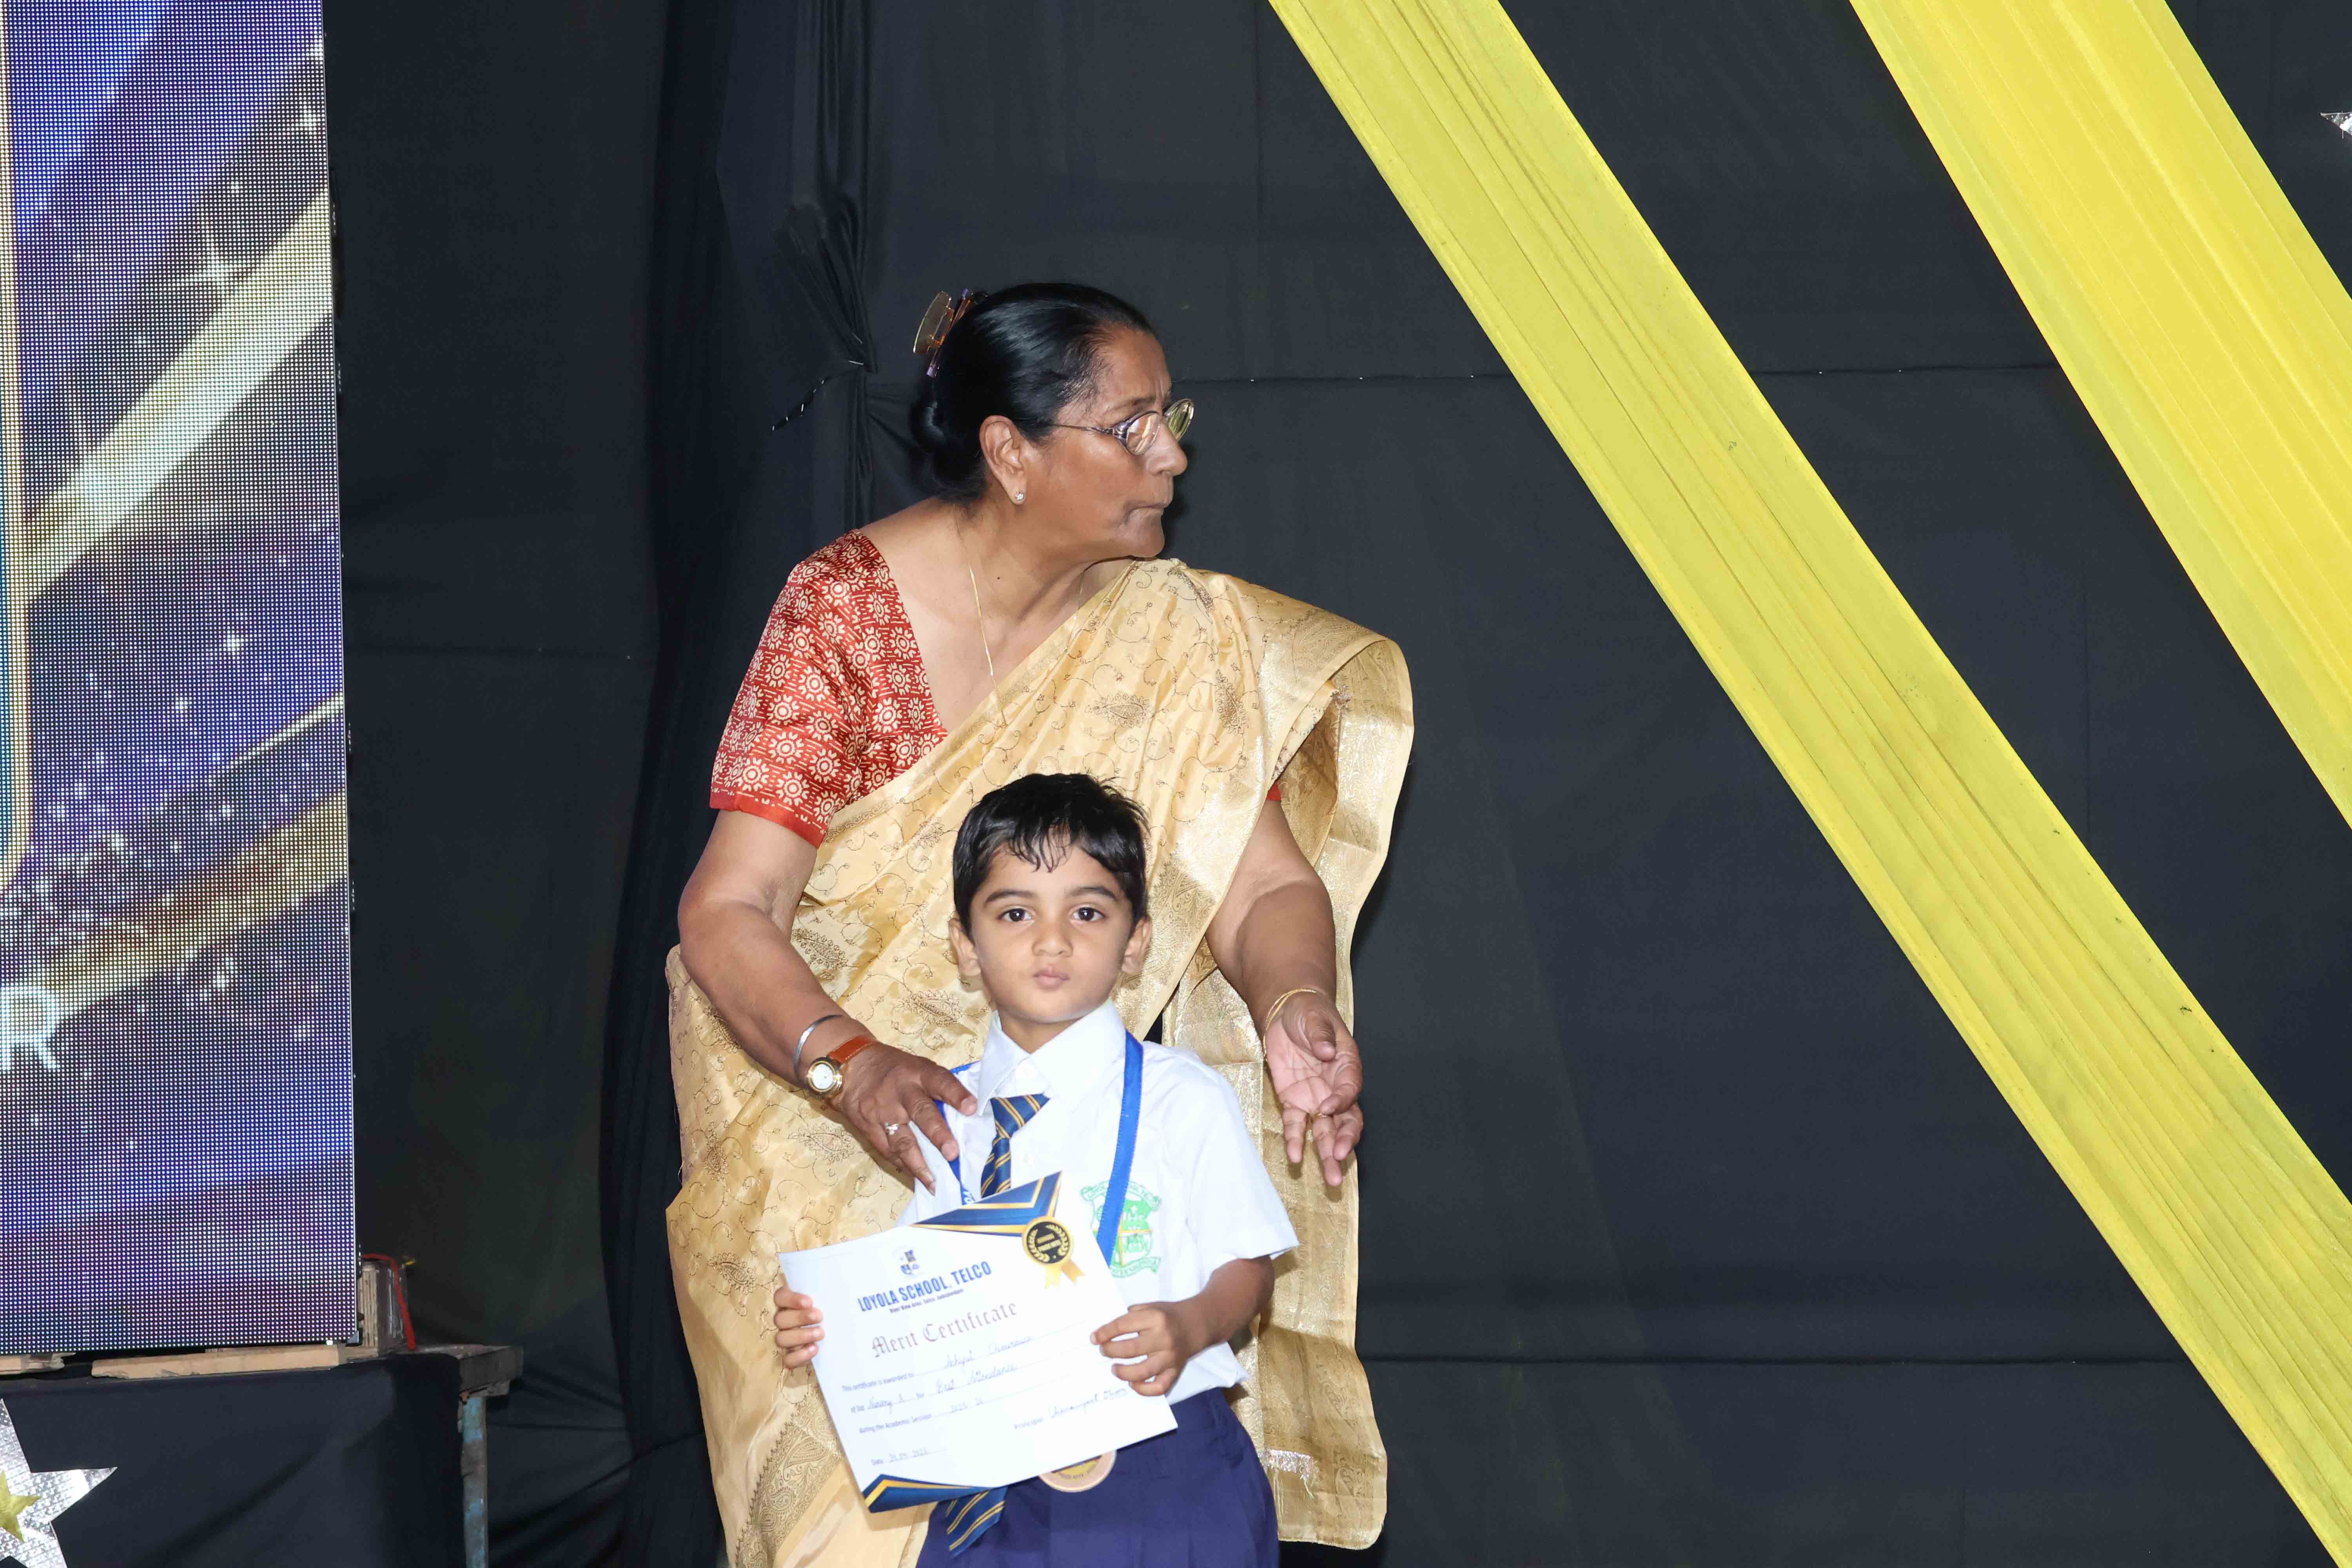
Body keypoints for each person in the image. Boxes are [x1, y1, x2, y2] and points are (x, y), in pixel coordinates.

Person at [669, 281, 1412, 1566]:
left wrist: (1296, 1004)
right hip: (824, 1134)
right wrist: (855, 1066)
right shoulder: (846, 613)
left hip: (1057, 1149)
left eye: (1170, 419)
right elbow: (728, 911)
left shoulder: (1167, 634)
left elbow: (1265, 890)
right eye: (1131, 427)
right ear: (1011, 453)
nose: (1172, 456)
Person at [774, 774, 1292, 1565]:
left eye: (1088, 913)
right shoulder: (942, 1114)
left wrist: (1190, 1325)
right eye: (1016, 913)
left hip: (1162, 1465)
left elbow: (1249, 1267)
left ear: (1137, 942)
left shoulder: (1181, 1095)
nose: (1052, 941)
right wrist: (830, 1328)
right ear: (965, 944)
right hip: (990, 1485)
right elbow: (921, 1299)